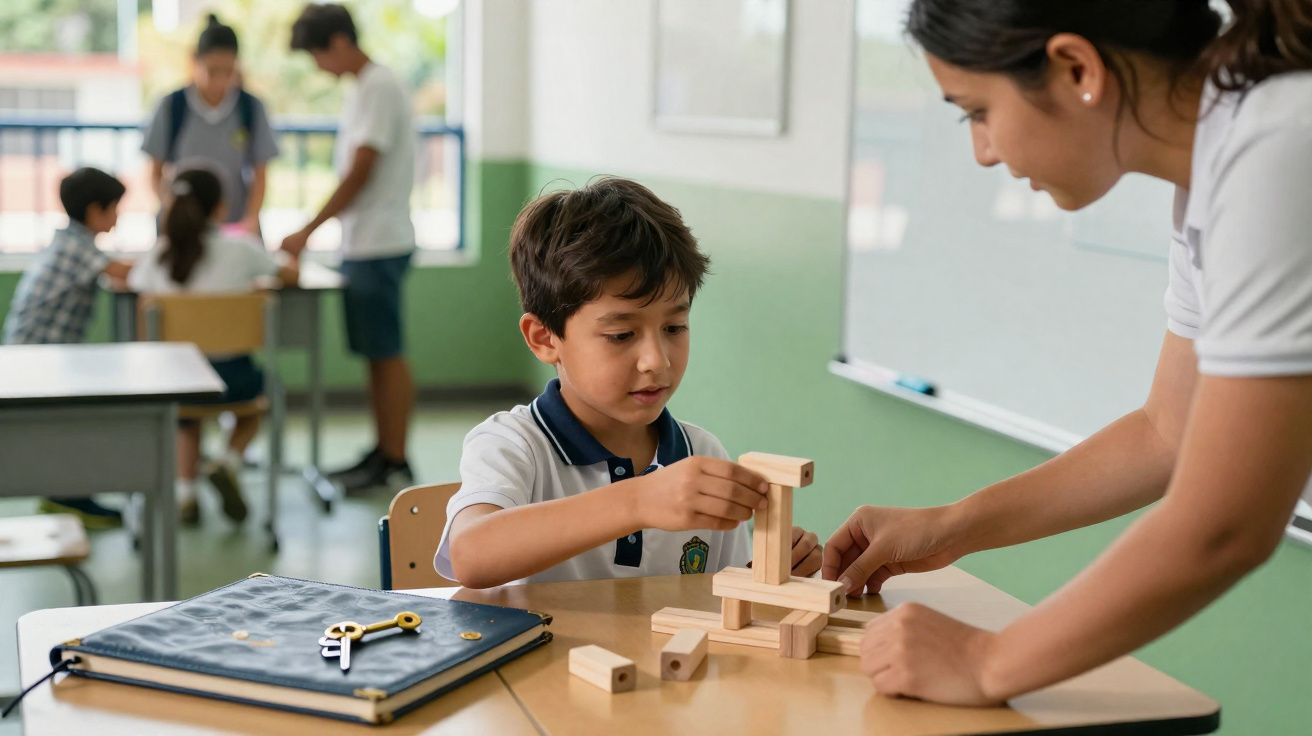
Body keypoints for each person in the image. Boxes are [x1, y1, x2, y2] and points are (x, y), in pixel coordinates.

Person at [823, 0, 1312, 705]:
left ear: (1077, 68)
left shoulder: (1276, 150)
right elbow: (1169, 432)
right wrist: (952, 525)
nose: (982, 150)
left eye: (977, 111)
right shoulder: (1217, 167)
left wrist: (988, 662)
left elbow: (1226, 523)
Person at [436, 177, 823, 588]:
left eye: (674, 327)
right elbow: (471, 556)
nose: (657, 361)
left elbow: (717, 593)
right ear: (545, 338)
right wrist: (638, 500)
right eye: (621, 335)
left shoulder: (700, 453)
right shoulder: (514, 444)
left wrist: (767, 574)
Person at [283, 3, 416, 493]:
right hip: (367, 241)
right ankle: (384, 450)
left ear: (339, 42)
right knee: (375, 354)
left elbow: (360, 171)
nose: (319, 67)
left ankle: (395, 457)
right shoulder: (366, 87)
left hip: (379, 242)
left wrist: (307, 230)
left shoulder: (379, 86)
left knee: (387, 353)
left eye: (318, 55)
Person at [128, 167, 299, 525]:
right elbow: (289, 274)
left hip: (177, 382)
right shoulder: (242, 249)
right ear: (220, 208)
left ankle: (186, 494)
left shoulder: (159, 254)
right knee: (263, 392)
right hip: (233, 379)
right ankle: (229, 461)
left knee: (186, 416)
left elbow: (135, 289)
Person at [3, 167, 132, 528]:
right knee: (90, 411)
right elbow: (127, 273)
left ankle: (65, 492)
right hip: (36, 362)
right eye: (114, 208)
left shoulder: (70, 243)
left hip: (36, 355)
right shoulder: (78, 249)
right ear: (95, 211)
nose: (118, 216)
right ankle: (69, 495)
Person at [141, 14, 279, 236]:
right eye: (212, 71)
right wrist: (174, 210)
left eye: (228, 71)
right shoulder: (172, 106)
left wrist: (250, 219)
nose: (220, 80)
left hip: (235, 224)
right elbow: (155, 172)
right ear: (194, 62)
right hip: (183, 227)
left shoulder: (250, 108)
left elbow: (260, 173)